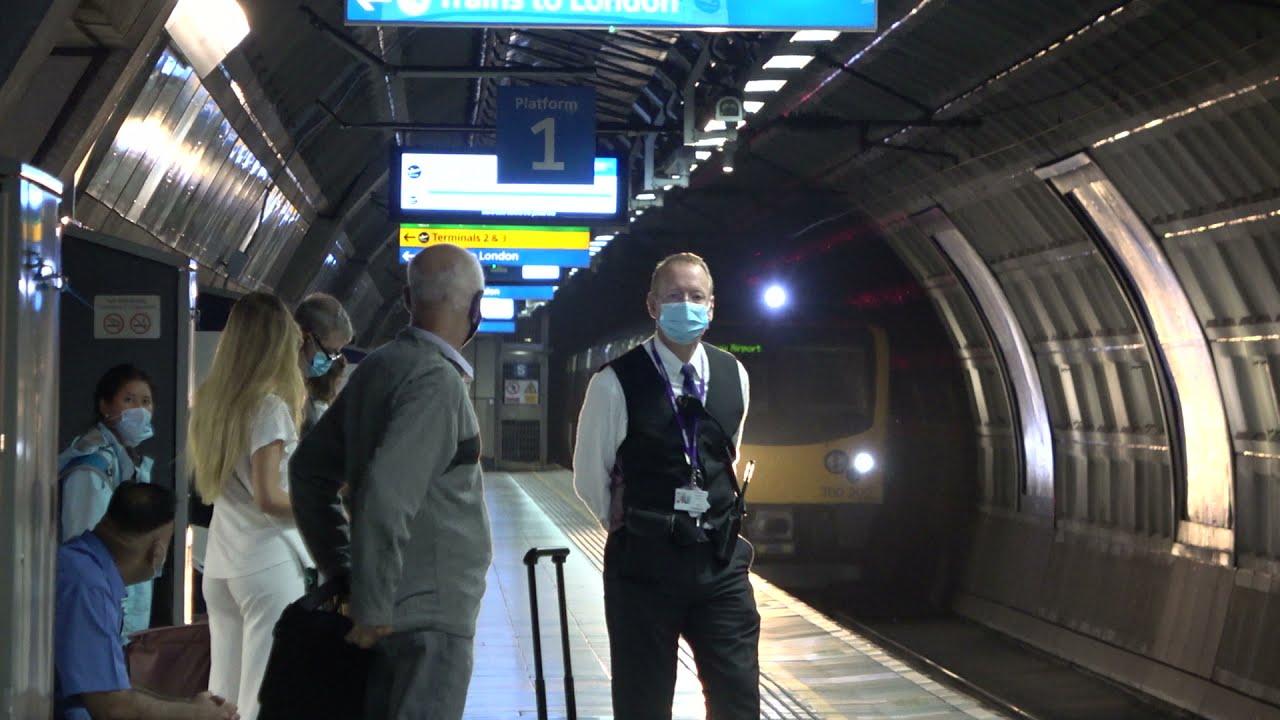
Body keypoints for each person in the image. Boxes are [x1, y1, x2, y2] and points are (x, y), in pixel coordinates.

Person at [291, 244, 493, 720]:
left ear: (406, 298)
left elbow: (307, 472)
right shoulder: (437, 383)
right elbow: (387, 490)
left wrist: (344, 572)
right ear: (477, 306)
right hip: (430, 615)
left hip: (385, 611)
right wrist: (374, 605)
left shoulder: (378, 367)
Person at [572, 252, 758, 719]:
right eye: (674, 296)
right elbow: (590, 475)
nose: (686, 305)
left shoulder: (735, 374)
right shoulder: (614, 382)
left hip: (718, 560)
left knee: (737, 695)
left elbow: (724, 453)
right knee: (644, 701)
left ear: (712, 307)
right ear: (653, 305)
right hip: (644, 567)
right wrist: (637, 527)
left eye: (697, 297)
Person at [187, 292, 314, 720]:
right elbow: (269, 497)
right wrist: (323, 506)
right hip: (267, 564)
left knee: (223, 696)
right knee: (267, 692)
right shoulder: (269, 406)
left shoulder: (212, 401)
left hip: (222, 566)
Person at [55, 481, 239, 720]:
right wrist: (194, 715)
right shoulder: (87, 587)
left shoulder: (81, 566)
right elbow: (112, 707)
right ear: (157, 551)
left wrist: (190, 705)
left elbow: (109, 687)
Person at [58, 363, 158, 639]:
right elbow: (84, 547)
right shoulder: (92, 466)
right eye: (129, 400)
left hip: (122, 605)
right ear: (105, 406)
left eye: (146, 401)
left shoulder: (130, 464)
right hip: (99, 606)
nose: (139, 409)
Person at [293, 293, 354, 434]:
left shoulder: (305, 397)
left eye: (337, 353)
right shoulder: (276, 388)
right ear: (305, 336)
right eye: (329, 351)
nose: (331, 360)